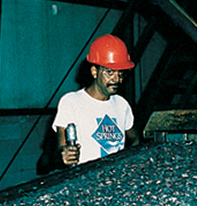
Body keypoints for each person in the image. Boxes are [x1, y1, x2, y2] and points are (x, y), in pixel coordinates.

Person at [52, 34, 139, 166]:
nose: (117, 79)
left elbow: (135, 141)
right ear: (94, 71)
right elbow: (60, 149)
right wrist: (64, 155)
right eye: (110, 72)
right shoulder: (71, 102)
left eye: (120, 73)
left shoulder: (122, 104)